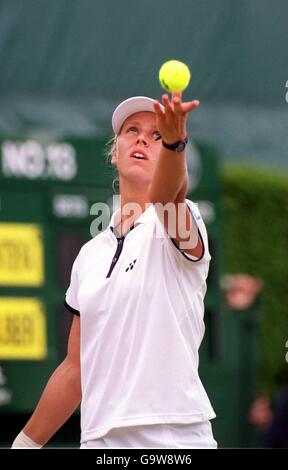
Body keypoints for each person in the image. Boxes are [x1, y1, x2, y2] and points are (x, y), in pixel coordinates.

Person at [12, 92, 217, 448]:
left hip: (175, 438)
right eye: (132, 131)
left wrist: (175, 143)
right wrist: (23, 444)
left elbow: (167, 198)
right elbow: (74, 370)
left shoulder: (182, 220)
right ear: (115, 151)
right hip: (99, 441)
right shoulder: (89, 255)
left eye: (156, 135)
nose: (141, 138)